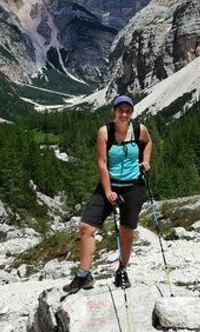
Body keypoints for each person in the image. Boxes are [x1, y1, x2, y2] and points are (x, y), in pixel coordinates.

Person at [63, 95, 153, 294]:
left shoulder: (139, 130)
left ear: (132, 113)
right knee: (86, 227)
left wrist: (146, 161)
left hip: (134, 186)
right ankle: (84, 274)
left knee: (127, 231)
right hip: (110, 185)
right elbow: (102, 162)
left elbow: (148, 142)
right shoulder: (105, 132)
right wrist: (108, 191)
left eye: (128, 110)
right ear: (113, 111)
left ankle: (122, 270)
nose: (124, 114)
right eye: (120, 110)